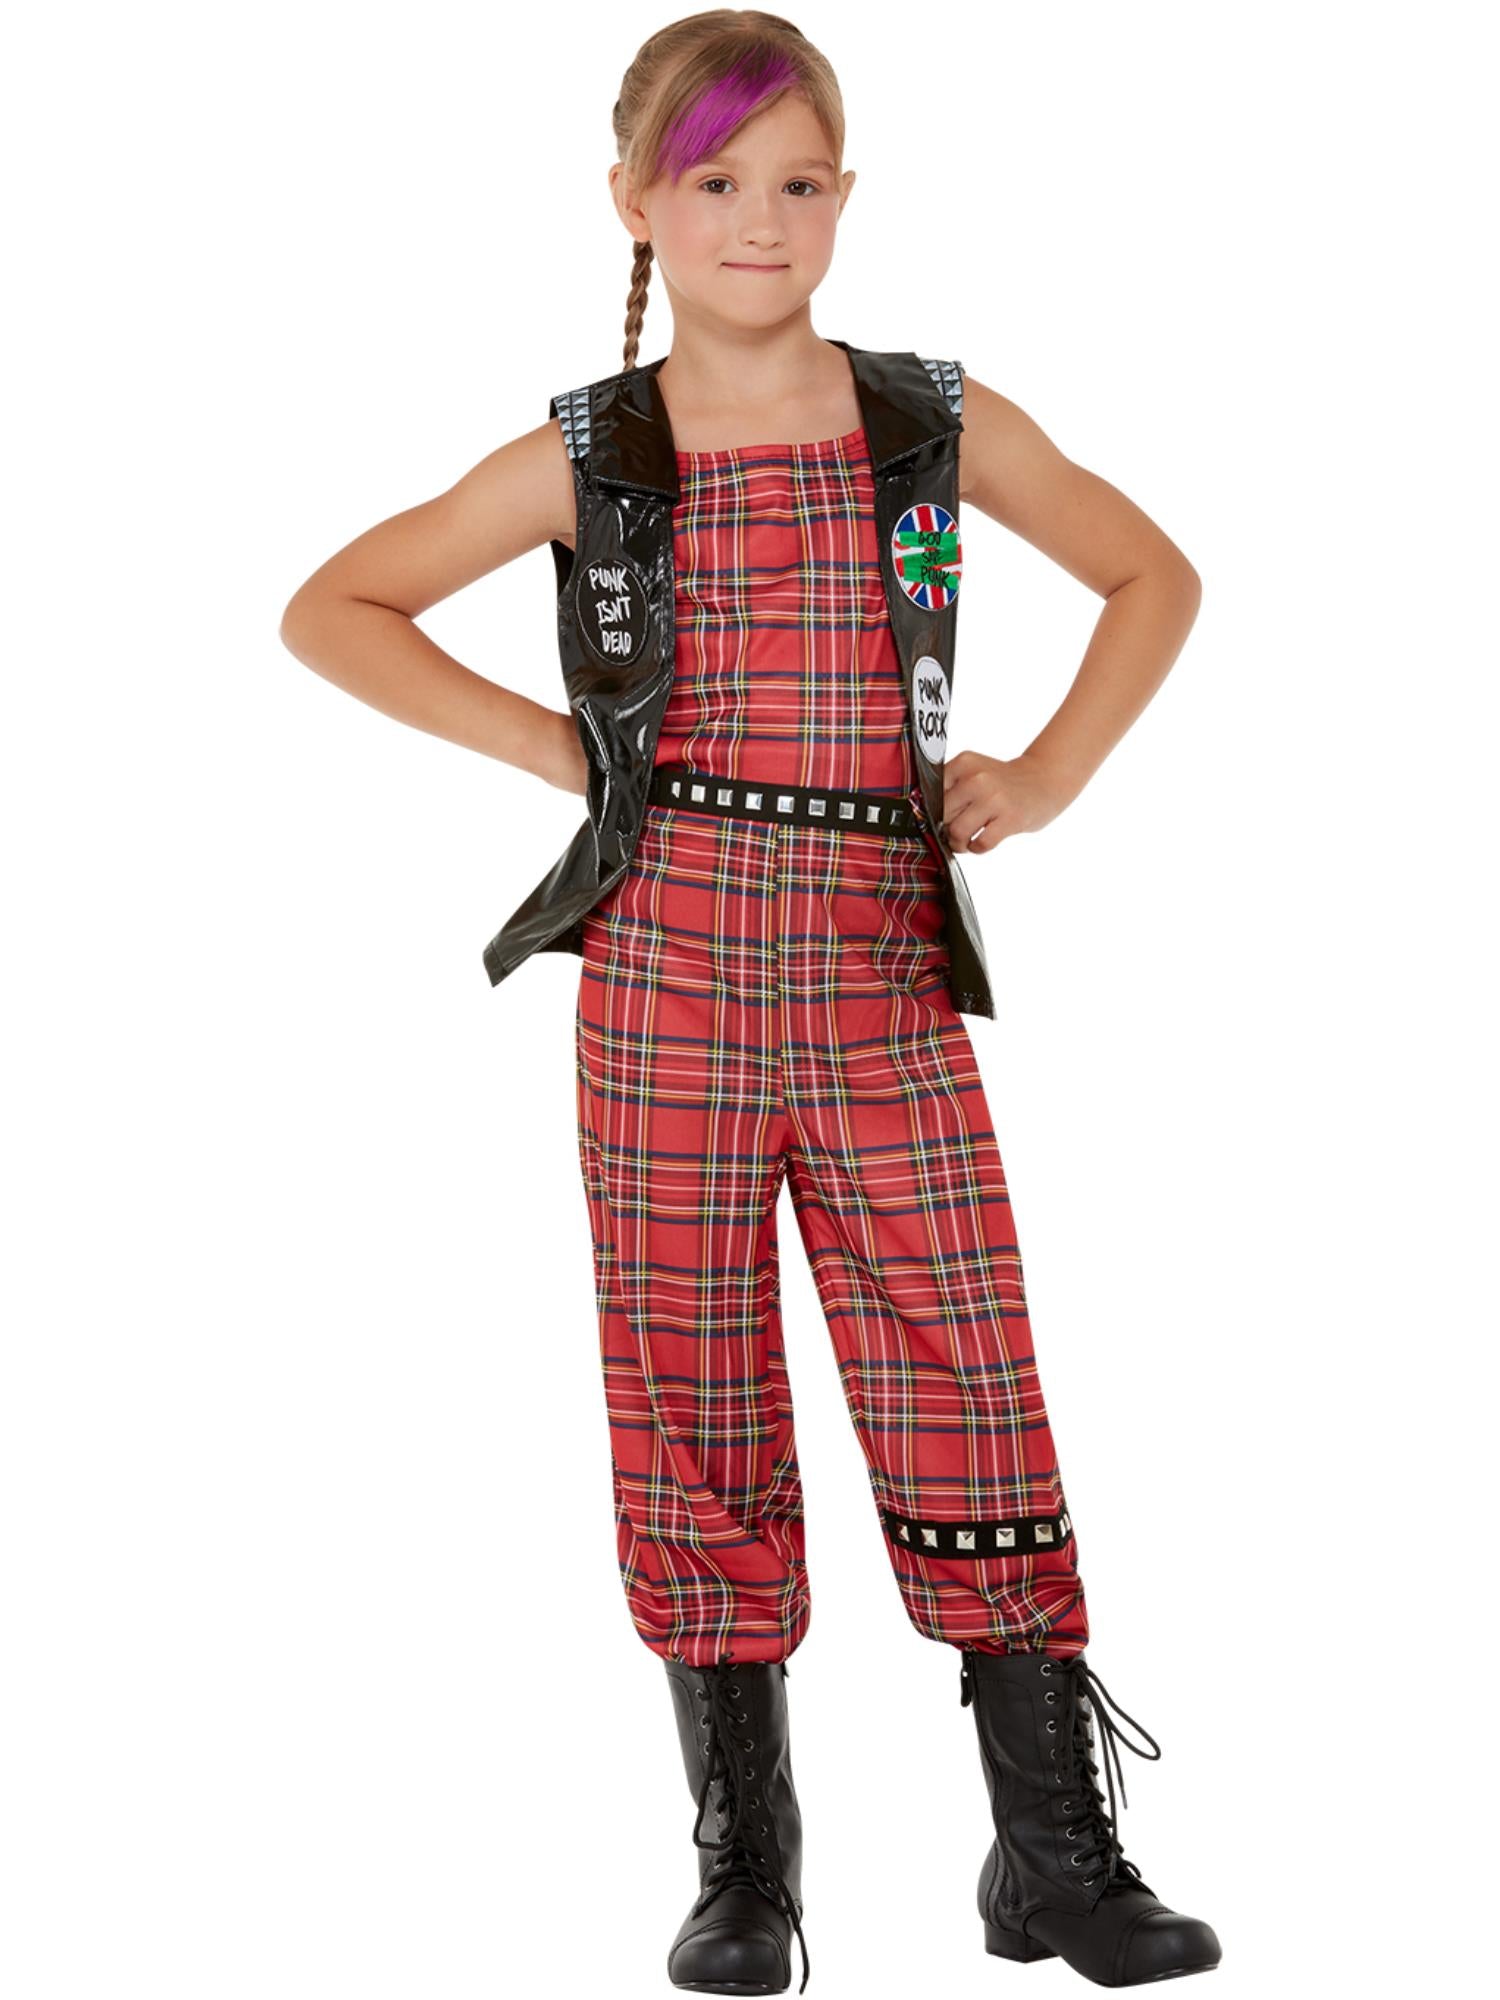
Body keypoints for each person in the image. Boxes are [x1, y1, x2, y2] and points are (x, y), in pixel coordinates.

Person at [279, 11, 1221, 1994]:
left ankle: (1051, 1850)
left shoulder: (927, 423)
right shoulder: (592, 453)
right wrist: (562, 750)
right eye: (714, 182)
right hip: (668, 980)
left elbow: (1153, 574)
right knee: (690, 1382)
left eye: (798, 181)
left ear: (846, 197)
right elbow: (334, 606)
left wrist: (1046, 775)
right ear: (636, 203)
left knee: (965, 1365)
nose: (760, 219)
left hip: (881, 974)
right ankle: (747, 1867)